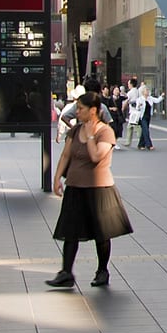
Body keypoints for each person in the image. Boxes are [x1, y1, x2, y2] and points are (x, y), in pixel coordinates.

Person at [47, 93, 133, 288]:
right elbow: (66, 155)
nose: (77, 112)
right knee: (70, 231)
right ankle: (66, 272)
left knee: (101, 233)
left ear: (93, 110)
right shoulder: (75, 130)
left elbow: (96, 157)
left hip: (99, 189)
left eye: (81, 109)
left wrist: (91, 134)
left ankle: (102, 271)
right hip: (75, 187)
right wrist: (57, 178)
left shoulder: (105, 132)